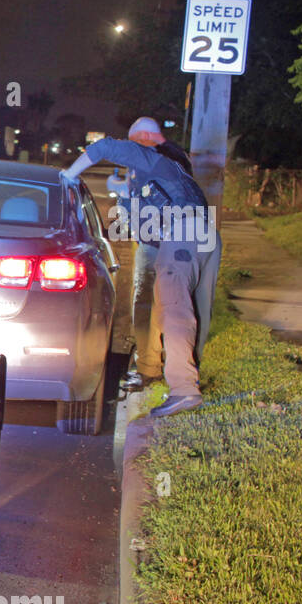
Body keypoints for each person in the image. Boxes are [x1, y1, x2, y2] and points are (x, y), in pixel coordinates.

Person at [63, 131, 220, 417]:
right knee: (196, 310)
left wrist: (69, 175)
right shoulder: (172, 173)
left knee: (173, 310)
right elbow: (140, 228)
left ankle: (184, 390)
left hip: (183, 234)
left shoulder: (153, 158)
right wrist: (125, 195)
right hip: (205, 235)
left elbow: (106, 147)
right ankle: (190, 376)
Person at [112, 117, 194, 392]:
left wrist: (123, 193)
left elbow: (144, 199)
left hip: (156, 243)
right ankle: (170, 364)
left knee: (147, 305)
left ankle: (148, 368)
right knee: (170, 304)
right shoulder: (176, 157)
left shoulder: (151, 161)